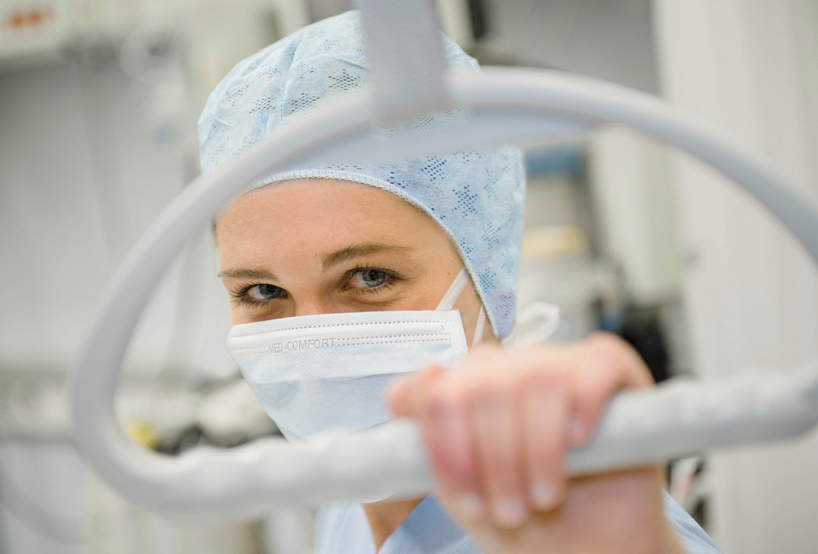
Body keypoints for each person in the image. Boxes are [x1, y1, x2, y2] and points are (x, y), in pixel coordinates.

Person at [199, 10, 721, 554]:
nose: (313, 348)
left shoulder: (583, 524)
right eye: (261, 291)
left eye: (369, 276)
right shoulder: (349, 500)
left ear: (487, 278)